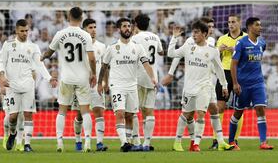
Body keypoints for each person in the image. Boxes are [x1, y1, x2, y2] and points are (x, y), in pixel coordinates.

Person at [168, 20, 233, 152]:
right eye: (193, 32)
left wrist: (224, 85)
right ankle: (177, 142)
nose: (194, 35)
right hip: (189, 88)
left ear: (204, 34)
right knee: (186, 114)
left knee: (204, 112)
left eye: (196, 32)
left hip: (205, 87)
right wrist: (174, 38)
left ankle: (199, 143)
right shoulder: (188, 47)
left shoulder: (213, 51)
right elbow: (171, 54)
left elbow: (219, 70)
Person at [41, 7, 97, 153]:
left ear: (69, 16)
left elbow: (49, 51)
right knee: (85, 111)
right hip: (82, 78)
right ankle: (88, 143)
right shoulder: (85, 35)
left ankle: (60, 142)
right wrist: (94, 74)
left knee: (62, 111)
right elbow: (92, 58)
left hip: (66, 78)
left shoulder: (61, 34)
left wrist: (43, 57)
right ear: (81, 17)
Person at [97, 17, 157, 152]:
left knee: (130, 115)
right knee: (120, 113)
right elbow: (104, 66)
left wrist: (153, 78)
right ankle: (124, 143)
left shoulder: (138, 47)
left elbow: (146, 64)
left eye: (129, 26)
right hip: (117, 86)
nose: (127, 29)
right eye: (124, 26)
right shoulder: (112, 48)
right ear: (119, 29)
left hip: (132, 86)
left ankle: (129, 142)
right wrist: (100, 83)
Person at [0, 19, 57, 152]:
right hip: (12, 86)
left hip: (28, 86)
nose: (25, 33)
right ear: (16, 31)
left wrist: (49, 78)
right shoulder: (8, 45)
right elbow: (1, 62)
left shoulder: (33, 47)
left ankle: (27, 144)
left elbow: (39, 65)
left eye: (26, 31)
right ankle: (12, 134)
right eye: (22, 31)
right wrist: (2, 76)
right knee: (12, 117)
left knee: (28, 114)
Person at [229, 17, 274, 150]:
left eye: (260, 25)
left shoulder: (262, 43)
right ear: (249, 27)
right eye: (257, 25)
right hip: (242, 84)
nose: (260, 27)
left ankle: (263, 142)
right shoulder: (241, 43)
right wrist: (235, 83)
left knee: (260, 109)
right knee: (238, 112)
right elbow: (233, 64)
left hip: (258, 83)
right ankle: (231, 141)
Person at [71, 18, 108, 151]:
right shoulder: (78, 46)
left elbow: (105, 66)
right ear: (84, 29)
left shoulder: (102, 46)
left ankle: (99, 143)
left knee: (99, 111)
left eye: (94, 27)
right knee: (80, 115)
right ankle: (78, 140)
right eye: (90, 28)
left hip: (96, 84)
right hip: (81, 84)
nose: (93, 30)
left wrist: (105, 82)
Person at [210, 14, 247, 149]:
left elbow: (249, 56)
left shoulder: (245, 38)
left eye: (233, 22)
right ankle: (216, 140)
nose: (230, 25)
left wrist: (236, 51)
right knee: (219, 107)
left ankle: (234, 140)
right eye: (229, 22)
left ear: (239, 23)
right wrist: (218, 50)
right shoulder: (221, 39)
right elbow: (214, 57)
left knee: (239, 108)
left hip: (239, 74)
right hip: (224, 74)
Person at [130, 14, 163, 151]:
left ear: (136, 24)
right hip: (152, 77)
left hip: (138, 76)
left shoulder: (134, 38)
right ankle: (147, 143)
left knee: (133, 110)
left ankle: (136, 141)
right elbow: (161, 52)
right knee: (149, 111)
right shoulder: (155, 37)